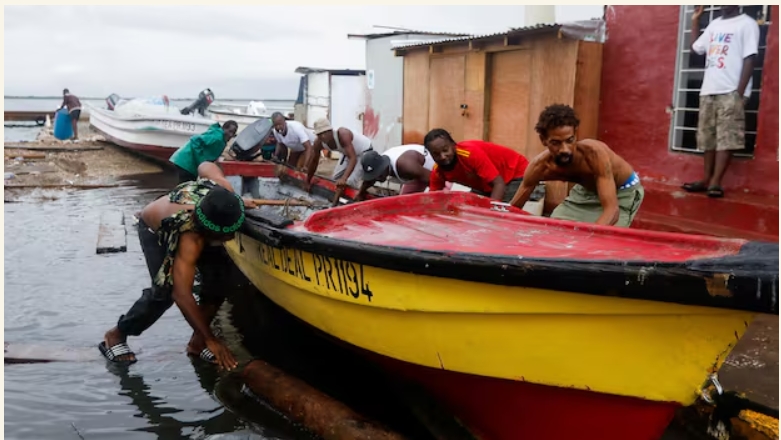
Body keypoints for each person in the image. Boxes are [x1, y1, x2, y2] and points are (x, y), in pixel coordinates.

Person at [99, 162, 259, 370]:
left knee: (220, 283)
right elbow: (181, 294)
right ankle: (116, 334)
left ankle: (196, 343)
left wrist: (237, 204)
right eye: (226, 234)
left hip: (204, 219)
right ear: (209, 232)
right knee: (163, 294)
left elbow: (206, 165)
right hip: (154, 230)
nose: (230, 238)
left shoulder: (223, 192)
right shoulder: (189, 239)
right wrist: (212, 339)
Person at [509, 104, 644, 227]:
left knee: (605, 243)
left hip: (621, 192)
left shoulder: (594, 154)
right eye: (556, 143)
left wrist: (589, 238)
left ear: (575, 135)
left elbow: (612, 210)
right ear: (544, 141)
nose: (565, 149)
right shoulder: (540, 167)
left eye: (570, 140)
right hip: (585, 192)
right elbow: (512, 211)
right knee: (553, 231)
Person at [682, 5, 760, 198]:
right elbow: (695, 49)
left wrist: (739, 94)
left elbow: (750, 59)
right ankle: (706, 179)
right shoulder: (714, 24)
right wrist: (695, 20)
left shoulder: (747, 24)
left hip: (731, 91)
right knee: (708, 138)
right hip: (709, 90)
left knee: (727, 138)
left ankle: (716, 182)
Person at [423, 129, 529, 203]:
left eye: (445, 150)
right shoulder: (437, 172)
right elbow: (434, 198)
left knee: (504, 212)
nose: (443, 156)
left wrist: (492, 214)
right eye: (436, 154)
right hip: (486, 185)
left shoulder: (470, 154)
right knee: (471, 209)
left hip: (515, 174)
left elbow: (498, 184)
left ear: (453, 145)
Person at [306, 118, 373, 190]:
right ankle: (337, 197)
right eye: (320, 134)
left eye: (325, 132)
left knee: (350, 181)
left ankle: (352, 199)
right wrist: (307, 181)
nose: (323, 136)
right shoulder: (318, 143)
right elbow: (314, 161)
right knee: (335, 179)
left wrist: (344, 178)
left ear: (331, 130)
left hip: (364, 152)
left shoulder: (343, 134)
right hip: (347, 153)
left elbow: (353, 158)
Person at [355, 144, 438, 201]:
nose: (377, 179)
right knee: (403, 202)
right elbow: (369, 180)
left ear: (384, 166)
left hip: (434, 171)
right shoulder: (378, 161)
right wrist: (361, 193)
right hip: (417, 173)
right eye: (374, 175)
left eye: (378, 174)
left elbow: (435, 181)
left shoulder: (405, 166)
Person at [170, 121, 238, 183]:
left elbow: (211, 157)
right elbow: (195, 140)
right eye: (229, 131)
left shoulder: (222, 141)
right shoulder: (217, 137)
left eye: (233, 133)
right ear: (223, 129)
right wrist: (201, 160)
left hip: (188, 166)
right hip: (184, 164)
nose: (231, 135)